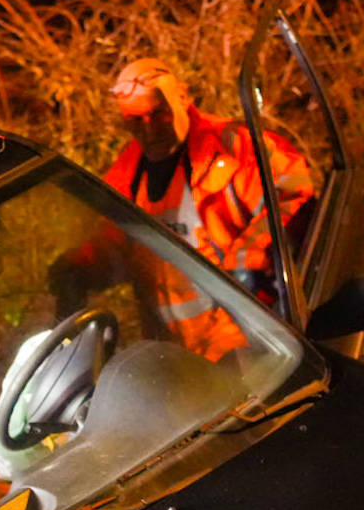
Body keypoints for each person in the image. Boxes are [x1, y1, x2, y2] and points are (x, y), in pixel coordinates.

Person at [53, 58, 315, 362]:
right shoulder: (125, 177)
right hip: (178, 363)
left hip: (251, 343)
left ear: (182, 96)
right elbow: (114, 249)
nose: (149, 129)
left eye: (158, 114)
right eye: (136, 119)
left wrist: (250, 261)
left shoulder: (233, 147)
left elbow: (293, 195)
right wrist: (80, 267)